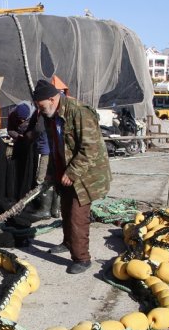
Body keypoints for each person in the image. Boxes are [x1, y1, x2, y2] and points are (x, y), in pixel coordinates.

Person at [33, 78, 111, 274]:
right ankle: (68, 242)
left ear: (52, 99)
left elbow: (90, 148)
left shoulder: (79, 112)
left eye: (41, 105)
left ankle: (82, 258)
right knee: (66, 210)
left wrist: (73, 171)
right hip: (65, 171)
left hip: (85, 174)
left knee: (77, 216)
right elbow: (56, 146)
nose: (39, 109)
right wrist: (53, 172)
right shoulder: (50, 115)